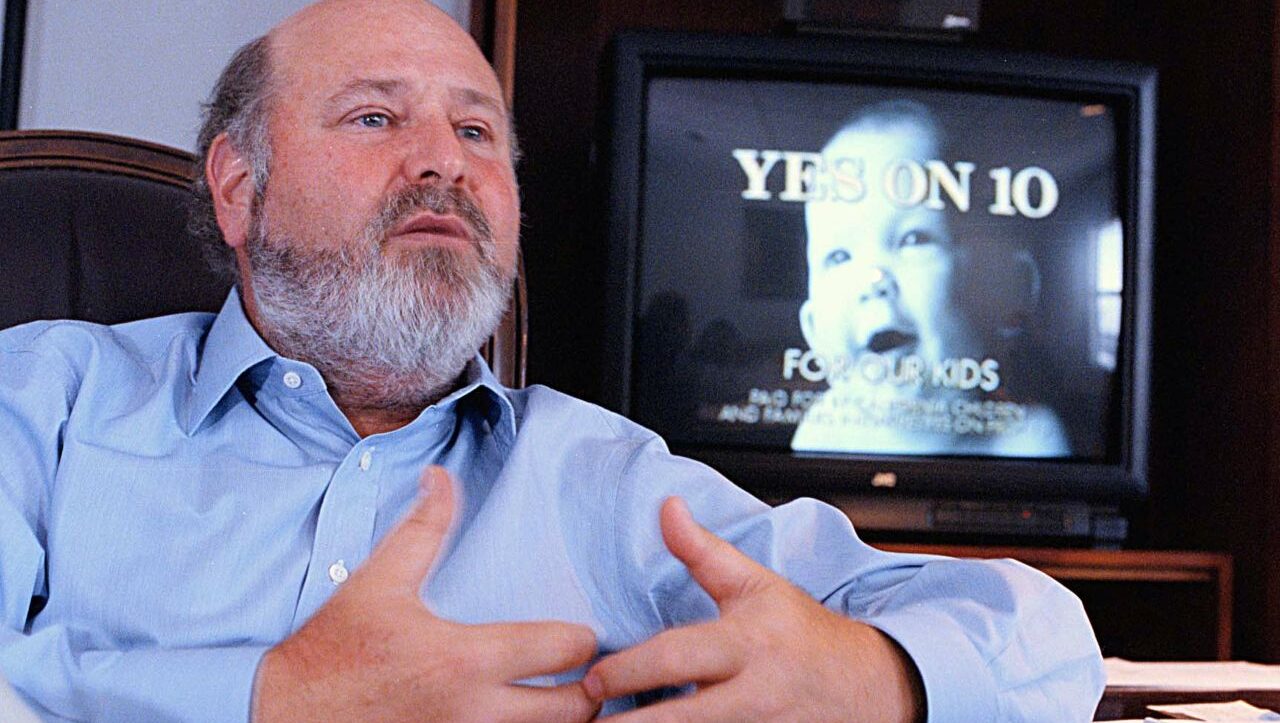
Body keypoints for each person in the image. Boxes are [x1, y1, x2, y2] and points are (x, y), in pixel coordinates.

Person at [0, 1, 1103, 720]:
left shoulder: (609, 481)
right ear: (241, 189)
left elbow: (1046, 640)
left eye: (477, 133)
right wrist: (267, 697)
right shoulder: (46, 400)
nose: (442, 162)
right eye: (376, 118)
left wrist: (878, 677)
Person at [793, 100, 1071, 457]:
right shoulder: (820, 431)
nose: (873, 280)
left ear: (1003, 297)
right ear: (813, 328)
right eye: (839, 256)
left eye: (913, 239)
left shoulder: (1030, 440)